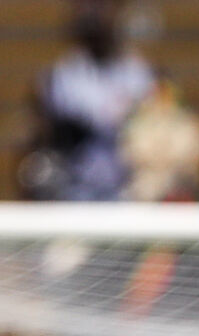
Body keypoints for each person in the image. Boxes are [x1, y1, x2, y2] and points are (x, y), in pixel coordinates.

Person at [17, 0, 156, 202]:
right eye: (85, 5)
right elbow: (33, 146)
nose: (92, 14)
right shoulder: (57, 79)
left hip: (130, 196)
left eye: (101, 5)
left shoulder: (143, 76)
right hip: (72, 196)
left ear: (119, 10)